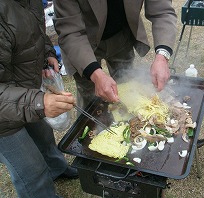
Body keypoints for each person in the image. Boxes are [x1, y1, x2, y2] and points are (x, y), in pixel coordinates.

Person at [0, 0, 78, 197]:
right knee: (31, 170)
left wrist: (48, 53)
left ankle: (57, 169)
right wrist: (38, 102)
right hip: (3, 120)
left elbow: (33, 30)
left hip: (27, 90)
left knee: (44, 139)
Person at [53, 0, 177, 109]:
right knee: (90, 96)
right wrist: (95, 74)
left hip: (122, 36)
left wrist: (162, 56)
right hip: (82, 43)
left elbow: (162, 11)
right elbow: (70, 32)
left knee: (126, 83)